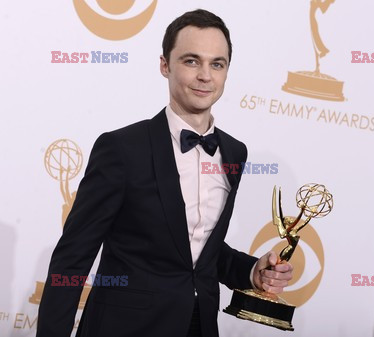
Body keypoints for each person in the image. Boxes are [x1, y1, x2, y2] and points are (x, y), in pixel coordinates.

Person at [37, 8, 293, 337]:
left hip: (199, 327)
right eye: (191, 61)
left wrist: (251, 271)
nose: (205, 76)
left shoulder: (233, 153)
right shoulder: (121, 149)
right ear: (164, 65)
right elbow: (72, 260)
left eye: (217, 63)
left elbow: (197, 251)